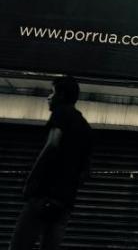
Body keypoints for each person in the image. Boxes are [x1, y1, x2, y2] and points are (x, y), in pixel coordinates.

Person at [9, 75, 93, 250]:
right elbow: (86, 172)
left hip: (42, 196)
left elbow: (52, 144)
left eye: (52, 92)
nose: (48, 97)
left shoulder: (61, 113)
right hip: (63, 204)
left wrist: (31, 179)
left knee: (19, 245)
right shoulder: (86, 128)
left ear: (61, 96)